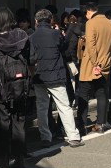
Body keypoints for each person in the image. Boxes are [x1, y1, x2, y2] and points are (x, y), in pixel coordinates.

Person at [0, 7, 31, 168]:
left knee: (3, 122)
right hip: (21, 85)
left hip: (2, 86)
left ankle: (4, 160)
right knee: (19, 121)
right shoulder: (23, 36)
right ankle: (20, 159)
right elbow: (31, 58)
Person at [30, 9, 85, 149]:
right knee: (64, 106)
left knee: (42, 107)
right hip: (56, 75)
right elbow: (65, 50)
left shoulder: (32, 36)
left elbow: (30, 58)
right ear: (51, 21)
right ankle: (73, 137)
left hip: (39, 76)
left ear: (36, 21)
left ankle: (45, 137)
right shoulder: (56, 34)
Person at [78, 2, 111, 133]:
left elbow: (91, 45)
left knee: (84, 94)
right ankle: (101, 123)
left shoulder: (91, 23)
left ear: (88, 11)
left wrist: (95, 63)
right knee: (102, 94)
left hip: (91, 64)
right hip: (105, 62)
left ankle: (82, 126)